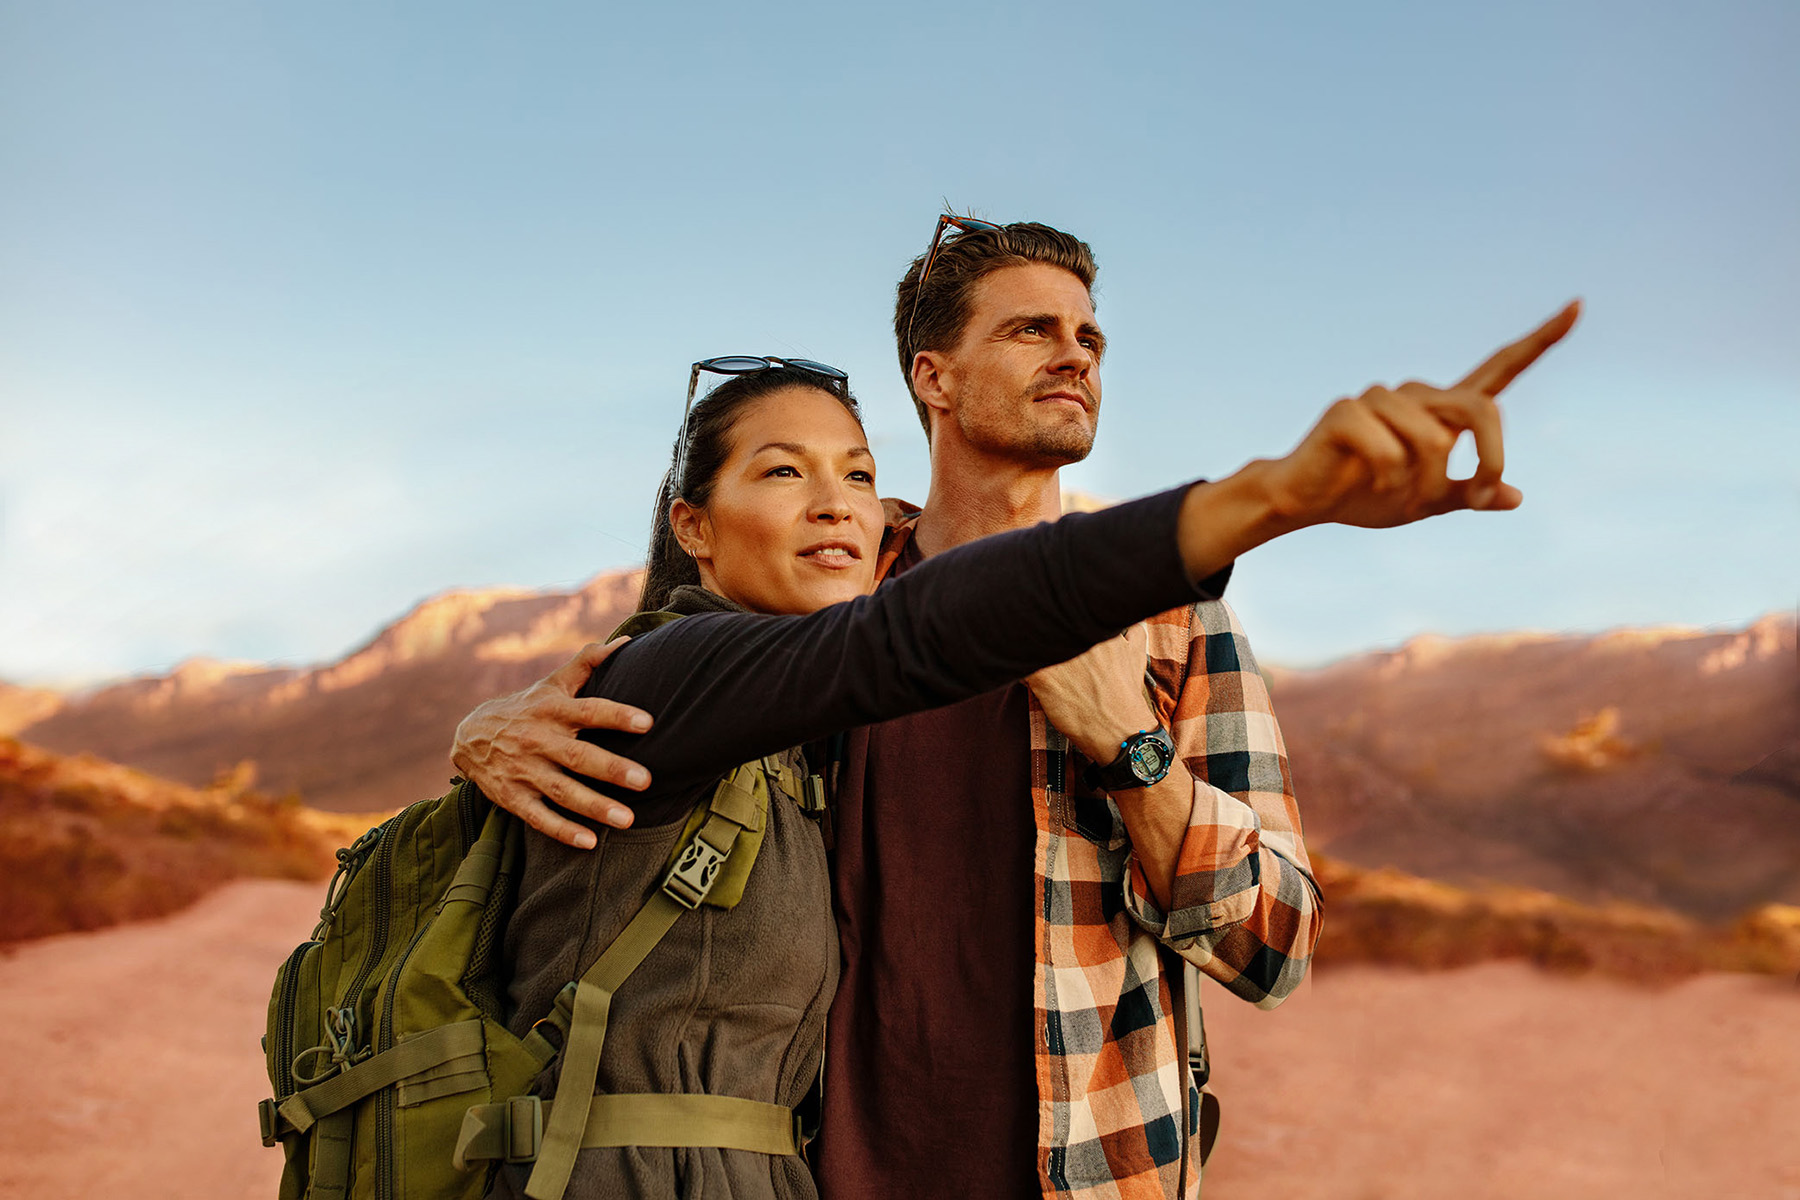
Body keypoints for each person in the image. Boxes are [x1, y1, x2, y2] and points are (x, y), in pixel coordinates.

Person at [459, 219, 1579, 1199]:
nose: (1075, 354)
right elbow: (670, 677)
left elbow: (1275, 948)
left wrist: (1131, 750)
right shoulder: (827, 579)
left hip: (1094, 1171)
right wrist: (479, 732)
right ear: (933, 378)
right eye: (1032, 330)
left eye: (1089, 335)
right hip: (820, 1173)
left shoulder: (1180, 627)